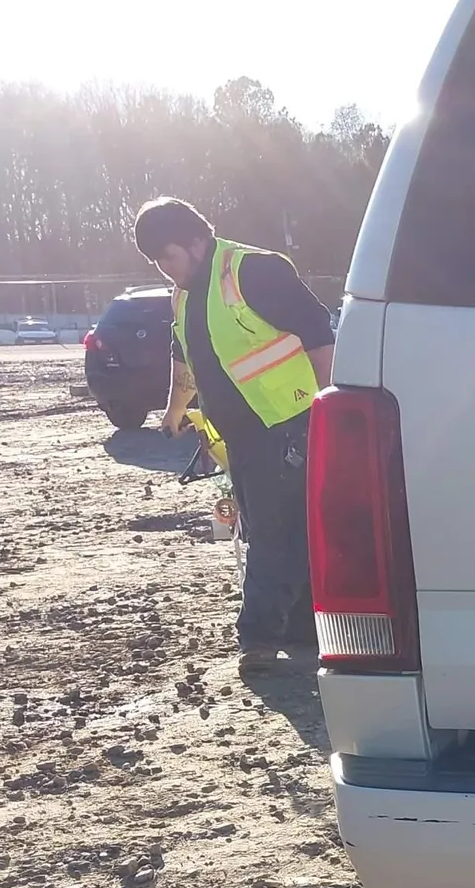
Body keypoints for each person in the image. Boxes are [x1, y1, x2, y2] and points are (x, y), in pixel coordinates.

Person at [133, 197, 335, 671]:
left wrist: (331, 407)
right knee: (286, 528)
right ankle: (304, 629)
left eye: (168, 257)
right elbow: (183, 355)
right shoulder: (184, 293)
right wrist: (175, 411)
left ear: (195, 242)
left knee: (272, 531)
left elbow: (320, 336)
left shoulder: (254, 271)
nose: (165, 269)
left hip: (287, 424)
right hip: (241, 435)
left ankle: (258, 639)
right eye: (156, 261)